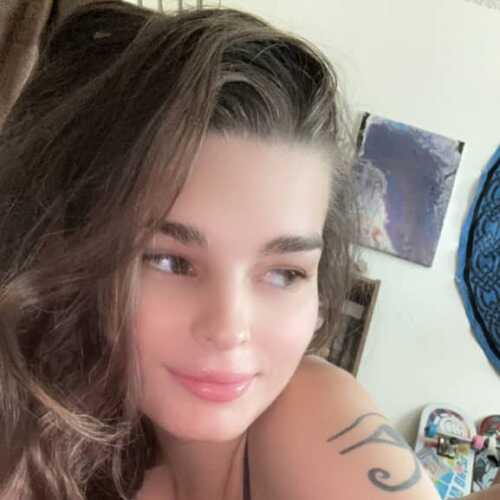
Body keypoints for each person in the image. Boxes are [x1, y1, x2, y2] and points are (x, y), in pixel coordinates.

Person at [0, 2, 494, 499]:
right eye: (171, 262)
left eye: (284, 273)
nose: (229, 330)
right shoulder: (38, 415)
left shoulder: (312, 413)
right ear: (79, 246)